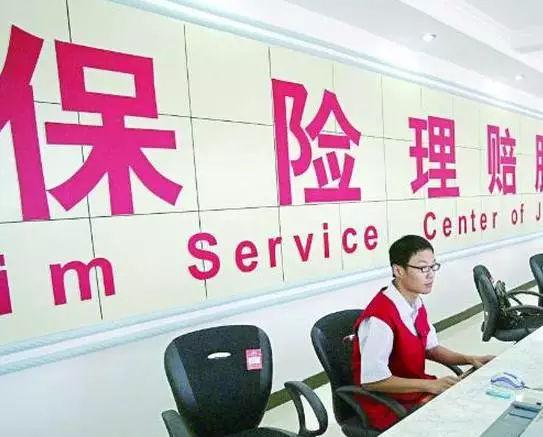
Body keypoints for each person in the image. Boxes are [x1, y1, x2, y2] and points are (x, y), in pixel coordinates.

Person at [351, 235, 494, 431]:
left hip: (414, 391)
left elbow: (431, 348)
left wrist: (469, 359)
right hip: (386, 404)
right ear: (398, 270)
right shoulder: (379, 319)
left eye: (433, 267)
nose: (430, 275)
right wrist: (429, 386)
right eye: (422, 268)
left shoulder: (414, 302)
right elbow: (373, 381)